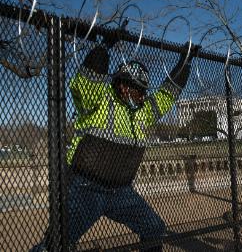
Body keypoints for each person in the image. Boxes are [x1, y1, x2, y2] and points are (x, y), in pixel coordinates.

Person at [32, 29, 198, 251]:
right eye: (128, 86)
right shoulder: (100, 100)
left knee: (154, 228)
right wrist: (104, 47)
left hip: (121, 191)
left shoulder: (144, 111)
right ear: (118, 83)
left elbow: (168, 94)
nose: (132, 93)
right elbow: (87, 82)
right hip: (86, 187)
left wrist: (184, 63)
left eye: (138, 90)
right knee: (57, 243)